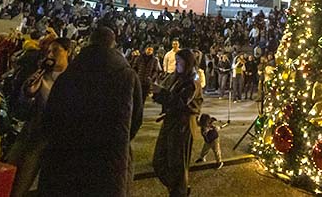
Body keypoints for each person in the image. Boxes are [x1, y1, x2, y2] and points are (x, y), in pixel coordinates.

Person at [38, 27, 143, 197]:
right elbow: (136, 118)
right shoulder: (127, 75)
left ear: (90, 42)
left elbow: (51, 114)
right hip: (108, 155)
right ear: (113, 44)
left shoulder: (71, 72)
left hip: (68, 153)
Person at [6, 37, 71, 197]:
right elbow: (23, 105)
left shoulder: (72, 78)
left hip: (52, 136)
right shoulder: (41, 74)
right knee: (9, 171)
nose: (51, 55)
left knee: (25, 178)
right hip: (31, 130)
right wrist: (28, 93)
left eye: (56, 50)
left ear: (68, 52)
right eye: (49, 51)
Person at [152, 48, 203, 197]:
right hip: (172, 121)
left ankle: (179, 191)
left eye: (179, 62)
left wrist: (161, 93)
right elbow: (171, 97)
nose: (176, 64)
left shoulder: (193, 80)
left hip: (183, 124)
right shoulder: (178, 77)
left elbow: (181, 101)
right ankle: (179, 188)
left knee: (178, 163)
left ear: (187, 63)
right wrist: (158, 93)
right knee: (160, 161)